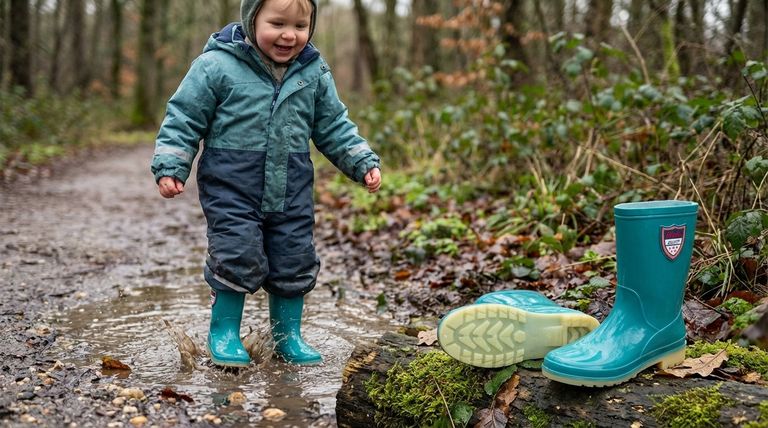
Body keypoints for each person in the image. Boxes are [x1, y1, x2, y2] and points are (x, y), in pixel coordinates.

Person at [151, 0, 382, 367]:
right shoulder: (216, 65)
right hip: (231, 187)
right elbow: (183, 118)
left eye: (300, 26)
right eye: (277, 23)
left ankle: (286, 334)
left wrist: (361, 160)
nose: (289, 35)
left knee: (294, 257)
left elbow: (334, 125)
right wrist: (171, 165)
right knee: (236, 252)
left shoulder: (313, 72)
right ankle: (224, 331)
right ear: (251, 19)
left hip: (291, 187)